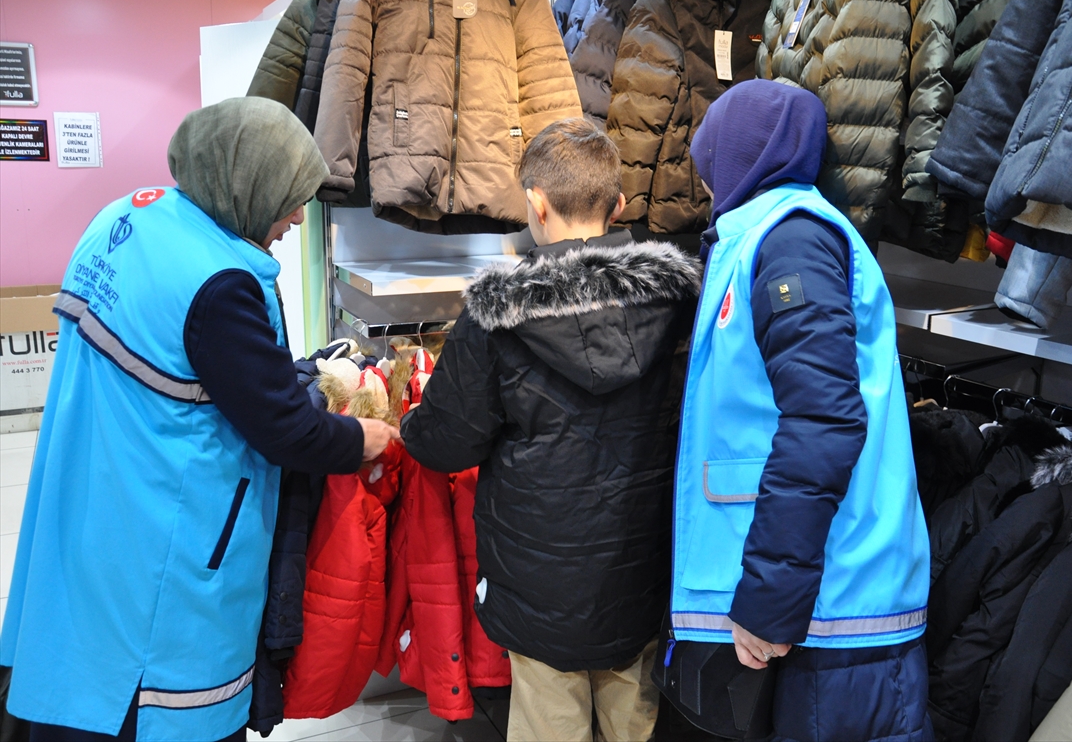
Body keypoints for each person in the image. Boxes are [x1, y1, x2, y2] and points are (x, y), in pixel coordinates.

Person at [0, 97, 400, 742]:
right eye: (288, 198)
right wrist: (361, 437)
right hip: (171, 525)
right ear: (246, 185)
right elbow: (285, 430)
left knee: (81, 651)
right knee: (152, 688)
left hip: (96, 492)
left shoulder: (128, 218)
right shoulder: (219, 283)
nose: (298, 217)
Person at [399, 118, 701, 742]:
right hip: (640, 565)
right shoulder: (676, 302)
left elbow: (445, 438)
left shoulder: (497, 315)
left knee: (547, 722)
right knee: (636, 718)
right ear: (618, 205)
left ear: (535, 203)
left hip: (538, 576)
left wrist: (407, 424)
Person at [671, 79, 933, 742]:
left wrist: (768, 600)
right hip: (815, 613)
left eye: (709, 167)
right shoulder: (763, 238)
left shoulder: (791, 241)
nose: (705, 186)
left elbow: (824, 420)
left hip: (829, 618)